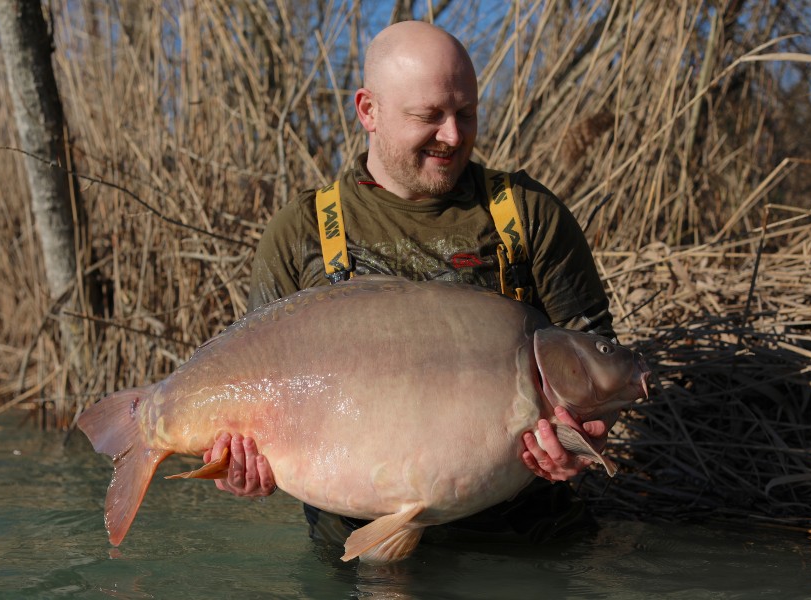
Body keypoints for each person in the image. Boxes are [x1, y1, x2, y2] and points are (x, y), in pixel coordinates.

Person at [204, 20, 616, 547]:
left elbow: (599, 363)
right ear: (368, 111)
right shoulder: (302, 231)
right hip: (353, 559)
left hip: (525, 549)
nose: (452, 135)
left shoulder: (527, 213)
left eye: (465, 113)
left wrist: (580, 443)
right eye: (429, 116)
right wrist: (237, 470)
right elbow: (253, 387)